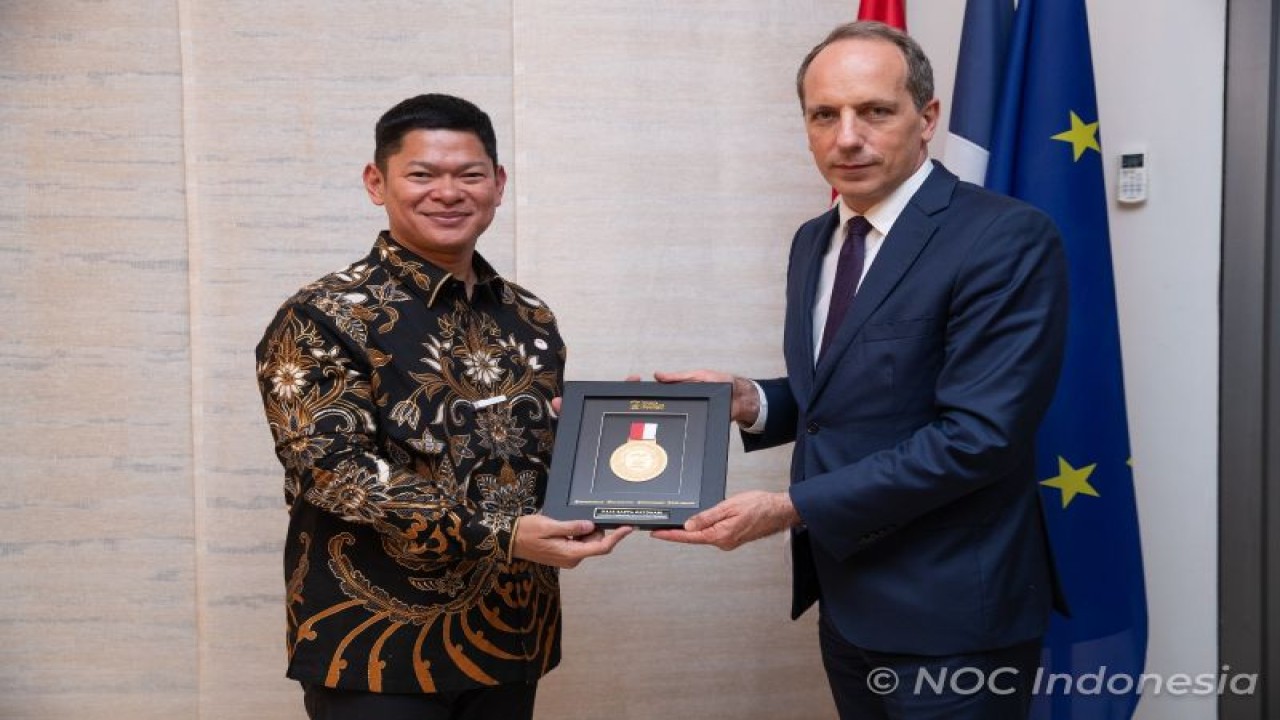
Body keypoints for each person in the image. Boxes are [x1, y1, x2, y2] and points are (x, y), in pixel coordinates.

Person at [652, 21, 1068, 719]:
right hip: (848, 604)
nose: (847, 137)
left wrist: (790, 508)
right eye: (825, 115)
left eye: (875, 111)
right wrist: (751, 401)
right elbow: (850, 399)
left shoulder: (1003, 238)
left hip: (955, 617)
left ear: (926, 118)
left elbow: (978, 437)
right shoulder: (814, 240)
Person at [254, 93, 631, 720]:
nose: (448, 193)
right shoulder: (323, 316)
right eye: (422, 174)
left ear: (498, 184)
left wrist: (627, 454)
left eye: (470, 174)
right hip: (377, 644)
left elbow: (541, 455)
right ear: (378, 183)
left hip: (511, 632)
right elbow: (332, 473)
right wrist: (505, 533)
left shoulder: (529, 316)